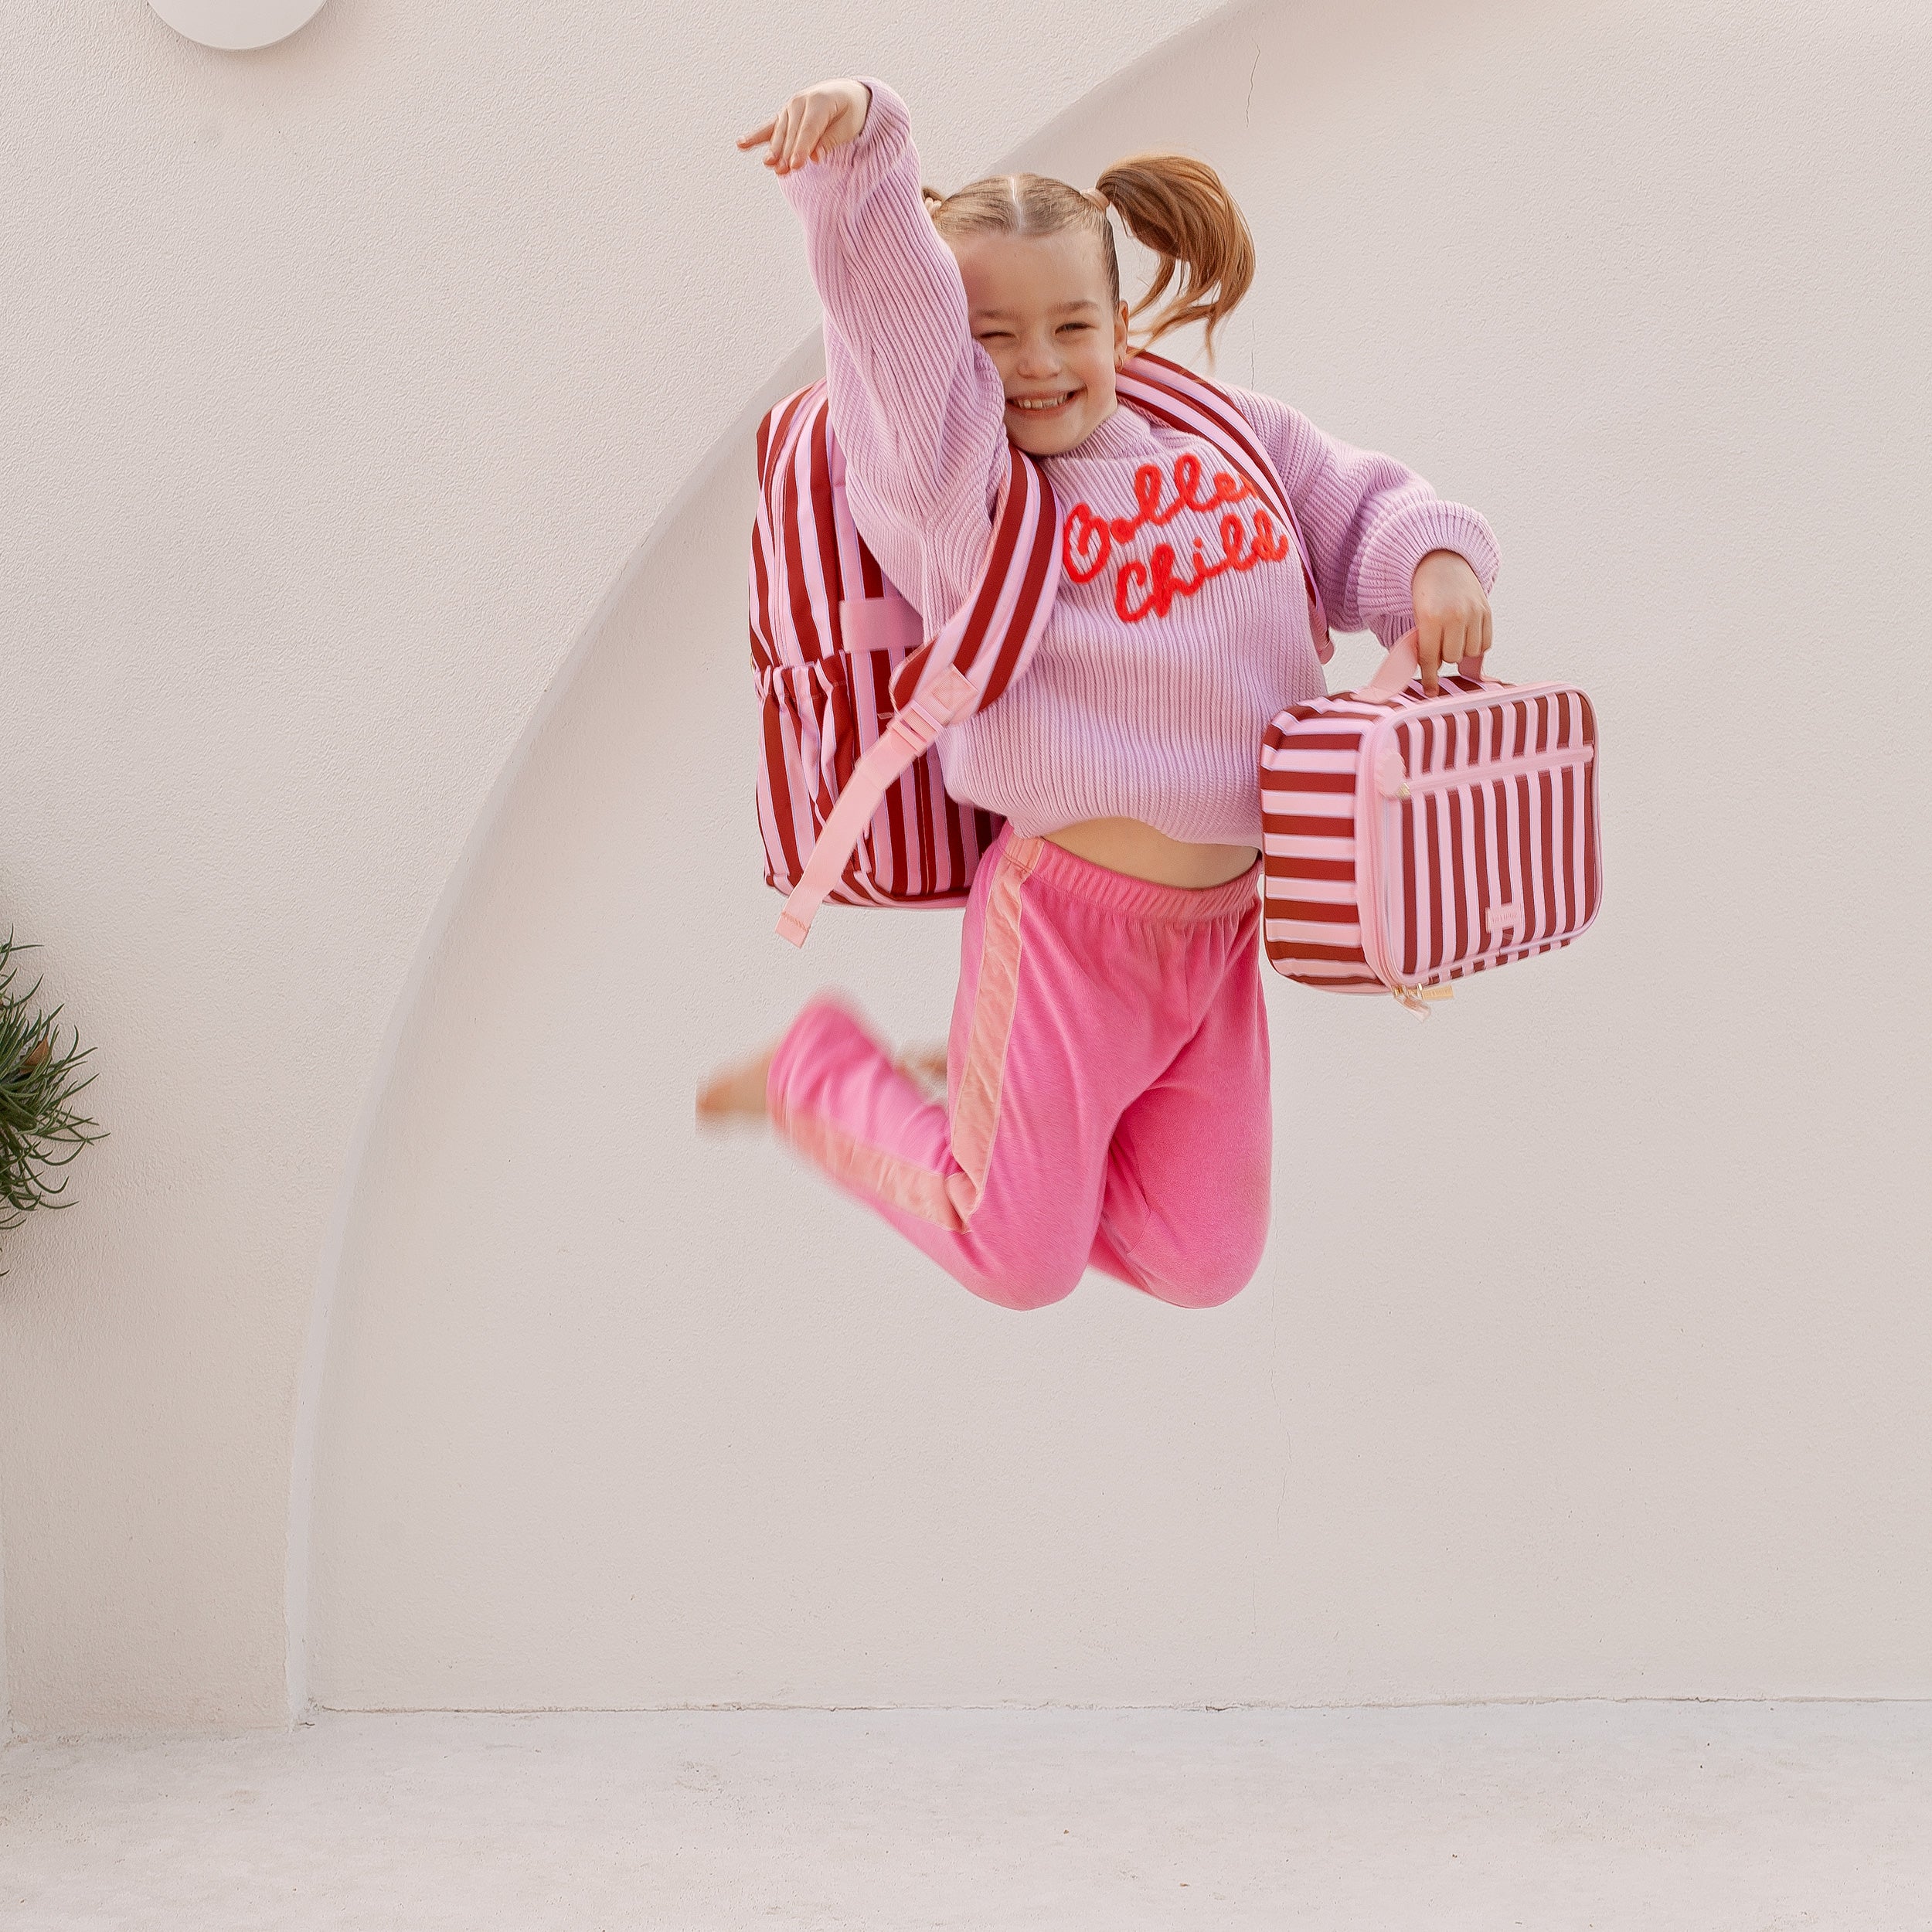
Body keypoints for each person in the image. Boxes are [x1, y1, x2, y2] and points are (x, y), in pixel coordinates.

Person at [698, 77, 1498, 1311]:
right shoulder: (964, 497)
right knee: (1016, 1257)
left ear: (1123, 328)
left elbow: (1356, 504)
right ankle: (820, 1075)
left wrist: (1431, 562)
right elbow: (897, 344)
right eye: (991, 338)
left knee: (1205, 1260)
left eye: (1071, 326)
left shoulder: (1216, 426)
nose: (1036, 365)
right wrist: (865, 153)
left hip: (1223, 931)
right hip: (1068, 928)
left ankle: (986, 1103)